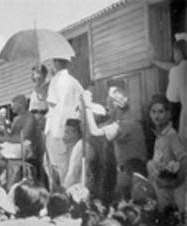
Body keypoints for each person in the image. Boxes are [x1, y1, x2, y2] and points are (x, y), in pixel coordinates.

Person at [83, 84, 147, 201]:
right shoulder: (128, 119)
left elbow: (95, 132)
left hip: (131, 173)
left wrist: (87, 106)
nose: (107, 104)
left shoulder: (124, 123)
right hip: (133, 172)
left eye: (110, 101)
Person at [44, 58, 84, 189]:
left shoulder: (56, 81)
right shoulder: (75, 83)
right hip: (72, 130)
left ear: (56, 64)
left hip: (57, 130)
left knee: (57, 172)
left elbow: (52, 103)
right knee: (71, 169)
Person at [147, 94, 187, 213]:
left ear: (168, 114)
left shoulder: (171, 135)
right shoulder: (159, 136)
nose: (156, 116)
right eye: (153, 112)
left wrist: (176, 182)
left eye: (161, 112)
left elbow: (184, 159)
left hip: (173, 194)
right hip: (162, 192)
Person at [151, 39, 187, 141]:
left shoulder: (176, 71)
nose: (173, 56)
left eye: (174, 53)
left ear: (178, 52)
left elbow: (172, 98)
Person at [29, 64, 49, 131]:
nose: (35, 76)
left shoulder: (49, 87)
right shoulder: (33, 92)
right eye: (33, 74)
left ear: (44, 74)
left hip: (45, 122)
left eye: (38, 73)